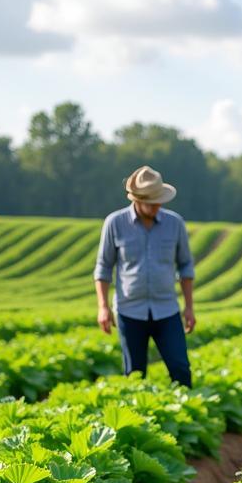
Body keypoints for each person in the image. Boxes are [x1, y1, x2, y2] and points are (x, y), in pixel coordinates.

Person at [94, 165, 196, 385]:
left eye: (160, 201)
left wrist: (189, 307)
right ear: (137, 200)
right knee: (134, 375)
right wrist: (103, 307)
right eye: (152, 203)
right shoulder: (115, 223)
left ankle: (187, 410)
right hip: (129, 311)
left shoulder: (174, 223)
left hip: (167, 310)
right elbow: (103, 267)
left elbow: (186, 266)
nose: (157, 206)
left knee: (180, 368)